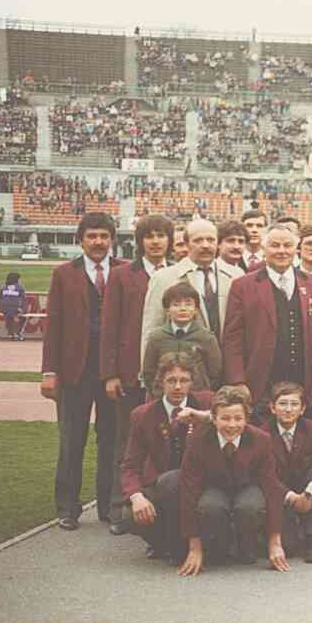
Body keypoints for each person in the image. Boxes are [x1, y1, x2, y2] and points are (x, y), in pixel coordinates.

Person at [41, 212, 123, 530]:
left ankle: (108, 507)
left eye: (104, 236)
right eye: (92, 236)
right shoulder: (64, 274)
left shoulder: (124, 272)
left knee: (112, 441)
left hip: (112, 373)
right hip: (75, 372)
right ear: (81, 240)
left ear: (112, 239)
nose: (98, 242)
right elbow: (54, 326)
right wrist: (49, 371)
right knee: (72, 440)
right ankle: (67, 508)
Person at [100, 213, 173, 534]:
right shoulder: (121, 276)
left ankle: (160, 507)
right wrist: (111, 374)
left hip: (168, 376)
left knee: (164, 444)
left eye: (161, 235)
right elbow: (110, 327)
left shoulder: (176, 273)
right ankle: (120, 507)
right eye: (149, 236)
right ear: (140, 241)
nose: (156, 241)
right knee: (125, 443)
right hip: (129, 373)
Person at [177, 385, 290, 575]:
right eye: (225, 418)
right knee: (210, 507)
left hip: (248, 487)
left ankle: (248, 543)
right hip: (214, 487)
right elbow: (189, 490)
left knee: (249, 507)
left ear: (247, 418)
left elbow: (271, 488)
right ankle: (217, 546)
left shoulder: (261, 440)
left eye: (238, 418)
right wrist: (194, 547)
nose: (232, 425)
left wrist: (275, 542)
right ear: (213, 418)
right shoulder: (197, 440)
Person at [118, 352, 212, 565]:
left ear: (191, 382)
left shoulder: (207, 402)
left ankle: (196, 546)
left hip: (204, 483)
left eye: (184, 380)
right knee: (129, 515)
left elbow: (238, 422)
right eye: (171, 380)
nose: (178, 387)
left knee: (177, 484)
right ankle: (163, 543)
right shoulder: (142, 415)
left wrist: (204, 416)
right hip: (162, 486)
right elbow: (130, 465)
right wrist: (136, 497)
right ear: (160, 381)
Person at [222, 224, 312, 421]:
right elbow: (232, 337)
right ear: (263, 248)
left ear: (297, 249)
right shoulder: (243, 285)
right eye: (275, 245)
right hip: (260, 384)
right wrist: (238, 381)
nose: (282, 251)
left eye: (287, 245)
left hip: (302, 384)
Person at [142, 218, 243, 365]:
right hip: (184, 372)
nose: (205, 245)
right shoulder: (164, 278)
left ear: (218, 243)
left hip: (228, 368)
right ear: (187, 244)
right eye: (198, 240)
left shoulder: (236, 275)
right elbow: (151, 330)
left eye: (210, 240)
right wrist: (148, 378)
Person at [261, 381, 312, 564]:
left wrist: (309, 492)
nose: (288, 409)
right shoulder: (263, 433)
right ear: (272, 408)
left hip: (307, 487)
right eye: (282, 404)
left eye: (294, 404)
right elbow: (265, 475)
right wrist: (291, 497)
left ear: (303, 409)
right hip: (280, 489)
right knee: (290, 547)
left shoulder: (311, 428)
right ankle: (285, 534)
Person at [141, 283, 222, 396]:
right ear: (167, 310)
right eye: (176, 304)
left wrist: (204, 393)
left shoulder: (206, 338)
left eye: (188, 304)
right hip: (163, 398)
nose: (182, 308)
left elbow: (216, 373)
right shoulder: (156, 338)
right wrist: (157, 393)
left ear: (196, 310)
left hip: (198, 397)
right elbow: (148, 372)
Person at [0, 271, 26, 340]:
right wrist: (24, 309)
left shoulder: (3, 286)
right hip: (15, 309)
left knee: (9, 317)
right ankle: (18, 332)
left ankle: (11, 333)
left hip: (4, 309)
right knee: (23, 317)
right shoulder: (20, 287)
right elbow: (24, 300)